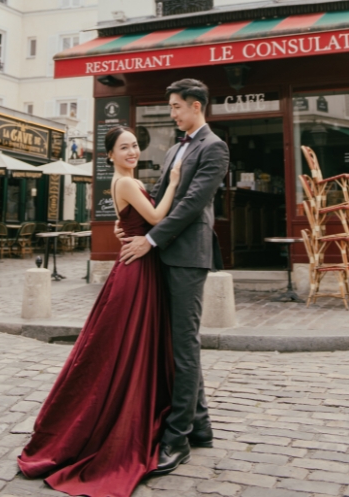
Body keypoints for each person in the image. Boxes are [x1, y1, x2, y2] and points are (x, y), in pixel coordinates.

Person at [18, 125, 182, 496]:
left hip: (138, 265)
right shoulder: (125, 183)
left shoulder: (125, 181)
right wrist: (173, 182)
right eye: (124, 148)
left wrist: (124, 228)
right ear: (109, 155)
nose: (132, 152)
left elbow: (128, 220)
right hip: (137, 272)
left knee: (123, 344)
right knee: (120, 346)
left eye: (135, 146)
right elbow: (156, 217)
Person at [116, 78, 229, 477]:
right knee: (177, 342)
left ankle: (177, 437)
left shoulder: (214, 147)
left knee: (184, 344)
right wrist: (129, 225)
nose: (172, 113)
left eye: (177, 107)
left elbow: (192, 205)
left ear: (196, 106)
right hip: (162, 251)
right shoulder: (175, 148)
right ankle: (200, 426)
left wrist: (149, 239)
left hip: (186, 257)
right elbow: (159, 202)